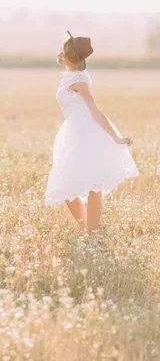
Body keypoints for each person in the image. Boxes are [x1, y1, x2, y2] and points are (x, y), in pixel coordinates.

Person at [45, 31, 139, 234]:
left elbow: (94, 110)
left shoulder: (79, 80)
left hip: (86, 133)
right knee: (66, 184)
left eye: (63, 52)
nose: (59, 54)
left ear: (71, 57)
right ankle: (87, 227)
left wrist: (116, 138)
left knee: (93, 182)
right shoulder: (71, 75)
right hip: (72, 132)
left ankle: (92, 232)